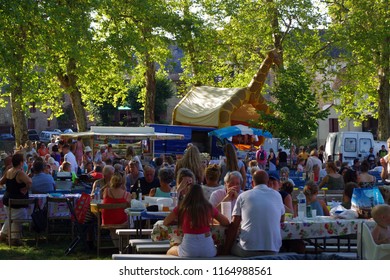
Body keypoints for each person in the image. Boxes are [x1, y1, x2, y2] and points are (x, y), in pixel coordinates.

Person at [224, 170, 285, 257]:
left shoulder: (243, 196)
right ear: (267, 183)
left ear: (252, 183)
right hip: (273, 250)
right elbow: (282, 219)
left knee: (230, 246)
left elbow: (234, 226)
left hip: (247, 250)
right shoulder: (277, 195)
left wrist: (225, 250)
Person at [163, 184, 229, 257]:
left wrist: (180, 222)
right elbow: (226, 222)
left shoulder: (182, 207)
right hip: (207, 248)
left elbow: (165, 222)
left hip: (188, 248)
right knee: (220, 248)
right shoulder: (208, 207)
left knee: (170, 251)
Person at [0, 154, 32, 246]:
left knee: (10, 218)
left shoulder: (9, 171)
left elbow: (1, 182)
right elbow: (29, 182)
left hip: (7, 200)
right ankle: (13, 239)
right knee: (18, 217)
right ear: (21, 162)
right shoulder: (20, 173)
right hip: (18, 202)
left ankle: (3, 234)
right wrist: (25, 188)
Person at [101, 171, 131, 247]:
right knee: (131, 219)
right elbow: (130, 207)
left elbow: (101, 194)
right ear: (122, 182)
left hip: (107, 221)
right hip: (121, 222)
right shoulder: (126, 194)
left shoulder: (106, 191)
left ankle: (118, 244)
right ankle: (125, 244)